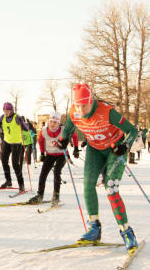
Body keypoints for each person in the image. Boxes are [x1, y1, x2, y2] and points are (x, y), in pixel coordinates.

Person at [58, 83, 139, 254]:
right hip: (95, 150)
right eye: (77, 105)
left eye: (84, 105)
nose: (81, 109)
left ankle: (127, 232)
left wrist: (125, 146)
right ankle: (94, 228)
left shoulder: (106, 111)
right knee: (88, 185)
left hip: (114, 149)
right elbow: (68, 128)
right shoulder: (74, 112)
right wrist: (63, 139)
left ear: (91, 101)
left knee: (111, 187)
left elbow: (131, 130)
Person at [27, 112, 79, 204]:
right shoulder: (44, 131)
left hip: (61, 154)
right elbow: (40, 141)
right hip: (50, 154)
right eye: (51, 121)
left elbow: (74, 135)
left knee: (56, 171)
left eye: (55, 122)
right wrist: (42, 153)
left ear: (59, 123)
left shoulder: (64, 130)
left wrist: (76, 148)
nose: (52, 124)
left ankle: (56, 195)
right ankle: (40, 195)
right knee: (43, 174)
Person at [0, 102, 28, 191]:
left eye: (8, 110)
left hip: (16, 143)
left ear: (11, 110)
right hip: (7, 142)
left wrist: (21, 122)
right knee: (3, 160)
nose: (6, 112)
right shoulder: (2, 117)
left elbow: (26, 128)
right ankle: (8, 180)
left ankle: (21, 184)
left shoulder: (16, 117)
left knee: (15, 164)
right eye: (4, 110)